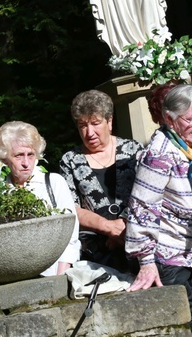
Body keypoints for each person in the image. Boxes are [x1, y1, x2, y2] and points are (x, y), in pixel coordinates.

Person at [126, 84, 192, 336]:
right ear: (170, 119)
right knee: (190, 325)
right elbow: (141, 209)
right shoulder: (159, 155)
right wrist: (147, 262)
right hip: (167, 254)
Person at [59, 90, 143, 274]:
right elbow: (70, 209)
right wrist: (108, 228)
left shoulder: (133, 150)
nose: (89, 133)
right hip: (96, 254)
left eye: (95, 123)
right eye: (82, 125)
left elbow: (147, 194)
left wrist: (123, 223)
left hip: (139, 242)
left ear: (109, 121)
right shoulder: (70, 160)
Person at [0, 121, 80, 275]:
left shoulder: (54, 183)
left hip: (54, 273)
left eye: (30, 155)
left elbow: (70, 235)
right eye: (19, 155)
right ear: (5, 158)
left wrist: (60, 277)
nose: (26, 163)